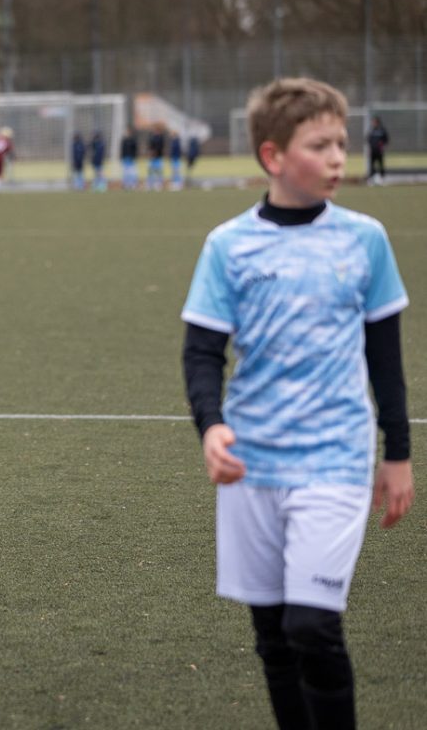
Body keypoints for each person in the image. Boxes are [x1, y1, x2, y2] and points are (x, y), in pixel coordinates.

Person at [181, 78, 414, 730]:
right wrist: (211, 427)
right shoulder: (229, 244)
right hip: (252, 463)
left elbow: (386, 359)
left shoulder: (365, 239)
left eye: (341, 142)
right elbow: (202, 353)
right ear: (273, 156)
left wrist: (398, 453)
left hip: (335, 459)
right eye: (320, 145)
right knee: (274, 637)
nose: (339, 157)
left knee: (312, 626)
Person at [366, 116, 388, 184]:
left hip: (379, 151)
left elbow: (386, 140)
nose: (373, 123)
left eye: (374, 122)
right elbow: (368, 140)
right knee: (372, 165)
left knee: (381, 165)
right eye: (373, 122)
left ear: (378, 122)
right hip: (373, 151)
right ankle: (371, 179)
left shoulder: (382, 130)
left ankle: (382, 179)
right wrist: (369, 149)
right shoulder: (371, 130)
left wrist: (382, 145)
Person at [146, 124, 165, 191]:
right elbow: (150, 146)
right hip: (152, 158)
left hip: (158, 157)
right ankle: (150, 184)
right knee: (150, 171)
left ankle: (158, 184)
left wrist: (155, 153)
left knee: (158, 171)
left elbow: (160, 147)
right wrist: (150, 153)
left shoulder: (161, 138)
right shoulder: (152, 137)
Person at [119, 126, 139, 190]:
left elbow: (135, 149)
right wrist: (122, 157)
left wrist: (134, 156)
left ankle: (133, 184)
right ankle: (126, 184)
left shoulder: (133, 140)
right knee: (125, 172)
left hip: (131, 158)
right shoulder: (124, 140)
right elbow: (122, 149)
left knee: (132, 172)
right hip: (125, 158)